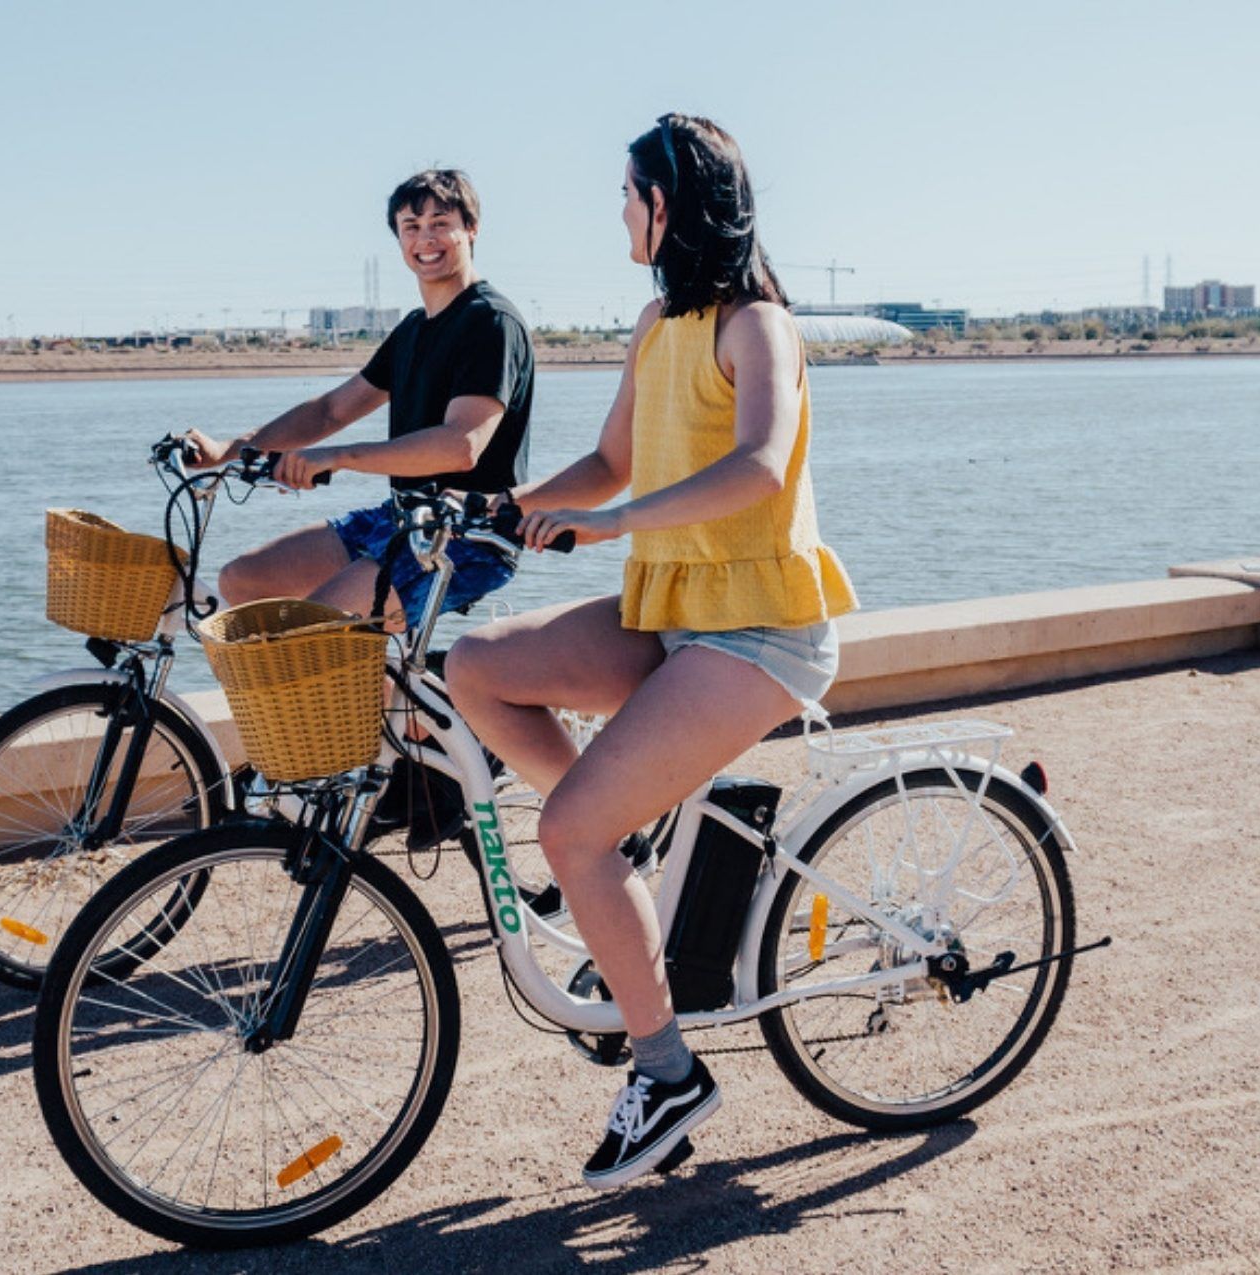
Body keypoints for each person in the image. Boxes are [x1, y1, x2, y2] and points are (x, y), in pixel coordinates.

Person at [445, 114, 857, 1189]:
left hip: (759, 628)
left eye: (630, 194)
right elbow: (611, 461)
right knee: (476, 666)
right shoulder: (656, 321)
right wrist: (503, 506)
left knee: (569, 833)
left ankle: (667, 1072)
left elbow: (762, 467)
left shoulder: (754, 324)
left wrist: (618, 526)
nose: (619, 213)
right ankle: (619, 850)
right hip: (673, 612)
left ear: (672, 205)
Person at [184, 168, 534, 632]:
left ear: (471, 229)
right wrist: (226, 450)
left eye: (439, 223)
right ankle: (387, 700)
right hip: (402, 518)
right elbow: (331, 410)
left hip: (468, 537)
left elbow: (460, 446)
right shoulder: (414, 329)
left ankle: (374, 696)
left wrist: (340, 457)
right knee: (244, 581)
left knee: (313, 631)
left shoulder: (490, 322)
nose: (425, 238)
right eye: (411, 226)